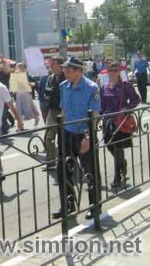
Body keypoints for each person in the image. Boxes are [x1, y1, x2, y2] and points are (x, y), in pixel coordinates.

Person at [52, 57, 102, 220]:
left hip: (84, 134)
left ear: (79, 71)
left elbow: (94, 115)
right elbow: (64, 110)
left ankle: (95, 206)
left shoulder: (91, 88)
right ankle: (68, 204)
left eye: (69, 70)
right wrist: (59, 132)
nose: (65, 73)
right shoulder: (63, 86)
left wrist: (88, 136)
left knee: (90, 170)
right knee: (63, 170)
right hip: (67, 133)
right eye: (65, 70)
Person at [101, 62, 140, 187]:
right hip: (107, 122)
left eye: (115, 70)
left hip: (120, 121)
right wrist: (96, 117)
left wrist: (126, 108)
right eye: (111, 70)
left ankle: (117, 176)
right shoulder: (104, 86)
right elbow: (102, 105)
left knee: (118, 148)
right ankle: (123, 163)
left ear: (119, 71)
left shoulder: (125, 85)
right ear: (107, 71)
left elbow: (136, 99)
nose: (113, 72)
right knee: (109, 146)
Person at [44, 57, 66, 170]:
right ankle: (50, 161)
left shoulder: (66, 76)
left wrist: (53, 91)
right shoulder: (50, 77)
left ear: (60, 65)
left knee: (64, 138)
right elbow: (46, 90)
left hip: (64, 110)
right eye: (51, 63)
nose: (51, 65)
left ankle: (64, 161)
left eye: (54, 63)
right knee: (49, 136)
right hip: (52, 110)